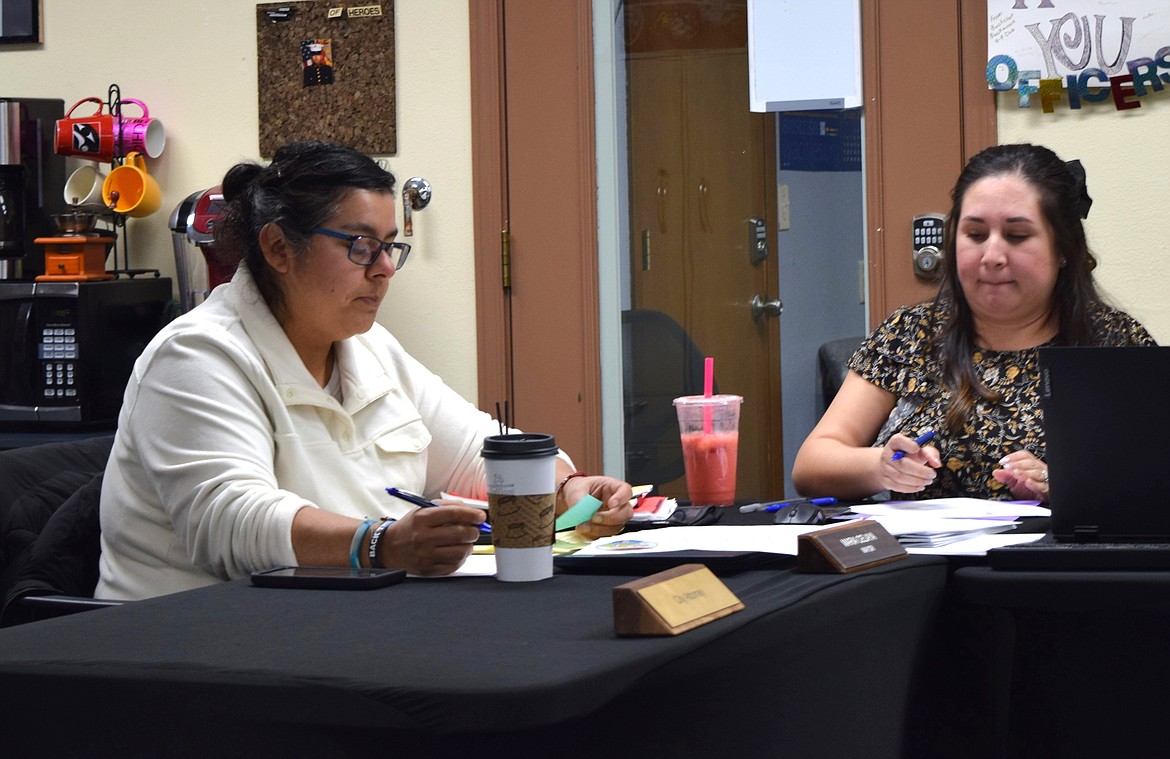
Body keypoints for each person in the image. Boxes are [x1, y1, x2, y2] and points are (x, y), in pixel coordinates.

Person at [97, 141, 633, 600]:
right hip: (187, 651)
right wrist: (381, 544)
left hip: (335, 623)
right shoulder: (197, 356)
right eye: (360, 246)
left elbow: (476, 450)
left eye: (390, 248)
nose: (383, 270)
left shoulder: (368, 346)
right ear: (279, 248)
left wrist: (568, 488)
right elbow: (232, 526)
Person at [792, 143, 1156, 503]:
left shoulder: (1113, 340)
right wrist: (881, 465)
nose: (992, 256)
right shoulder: (911, 333)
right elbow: (812, 465)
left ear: (1062, 249)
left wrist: (1061, 482)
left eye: (1017, 236)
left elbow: (1152, 475)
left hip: (1059, 557)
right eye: (975, 235)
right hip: (925, 557)